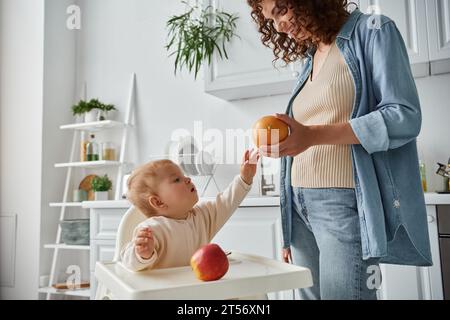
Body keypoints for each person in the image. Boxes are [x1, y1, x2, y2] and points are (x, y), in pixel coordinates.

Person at [247, 0, 432, 300]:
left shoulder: (373, 31)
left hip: (343, 204)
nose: (278, 25)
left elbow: (404, 116)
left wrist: (311, 136)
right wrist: (288, 229)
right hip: (298, 206)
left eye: (281, 10)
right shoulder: (311, 57)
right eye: (271, 20)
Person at [120, 149, 258, 271]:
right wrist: (142, 254)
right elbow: (126, 260)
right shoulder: (151, 230)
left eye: (183, 175)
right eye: (176, 179)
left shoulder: (203, 216)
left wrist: (245, 179)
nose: (187, 179)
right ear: (158, 202)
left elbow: (227, 201)